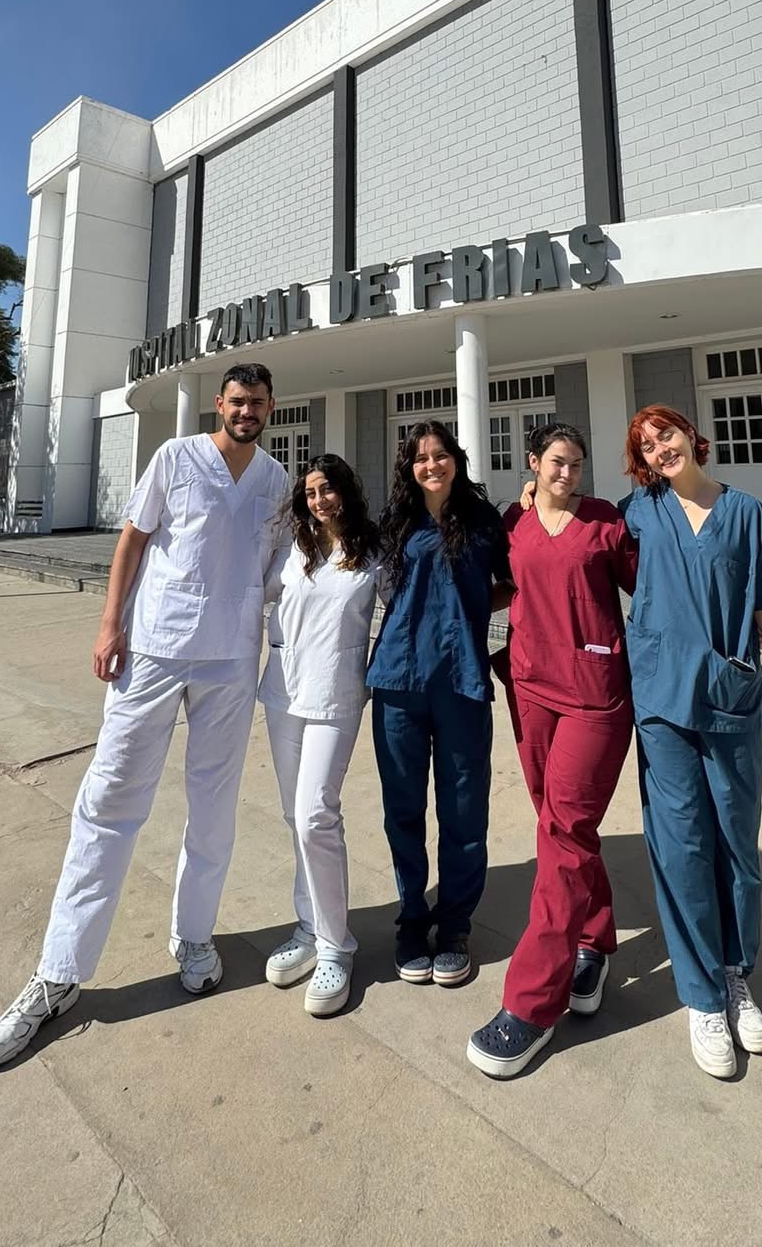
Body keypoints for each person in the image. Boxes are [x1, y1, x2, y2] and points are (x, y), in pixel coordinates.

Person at [0, 363, 290, 1069]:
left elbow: (277, 570)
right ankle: (58, 974)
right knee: (111, 798)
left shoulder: (276, 482)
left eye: (258, 402)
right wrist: (109, 624)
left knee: (214, 806)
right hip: (154, 647)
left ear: (271, 407)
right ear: (220, 403)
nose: (247, 411)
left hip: (230, 661)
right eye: (237, 401)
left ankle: (195, 935)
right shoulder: (175, 457)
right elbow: (132, 542)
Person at [619, 403, 762, 1080]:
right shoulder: (638, 514)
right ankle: (703, 998)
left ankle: (734, 972)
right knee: (682, 846)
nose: (661, 449)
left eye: (667, 435)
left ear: (691, 435)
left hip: (731, 695)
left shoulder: (745, 513)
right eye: (648, 445)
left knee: (737, 847)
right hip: (661, 700)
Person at [467, 422, 638, 1080]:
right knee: (559, 826)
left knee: (564, 832)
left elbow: (648, 588)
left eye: (578, 465)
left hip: (595, 693)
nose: (570, 475)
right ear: (533, 464)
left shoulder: (605, 525)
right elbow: (504, 586)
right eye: (558, 464)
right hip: (533, 688)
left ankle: (533, 1002)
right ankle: (592, 939)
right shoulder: (513, 521)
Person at [367, 419, 513, 988]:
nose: (431, 464)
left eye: (440, 454)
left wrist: (471, 607)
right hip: (399, 684)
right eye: (420, 458)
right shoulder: (395, 523)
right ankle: (411, 921)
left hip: (462, 681)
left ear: (456, 458)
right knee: (402, 812)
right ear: (409, 466)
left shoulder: (482, 521)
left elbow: (510, 581)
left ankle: (453, 926)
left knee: (462, 811)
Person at [259, 454, 382, 1018]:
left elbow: (406, 607)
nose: (318, 500)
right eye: (310, 492)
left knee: (315, 815)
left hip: (336, 695)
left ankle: (337, 945)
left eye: (327, 490)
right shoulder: (292, 550)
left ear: (346, 493)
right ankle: (309, 928)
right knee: (294, 816)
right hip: (283, 692)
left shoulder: (371, 551)